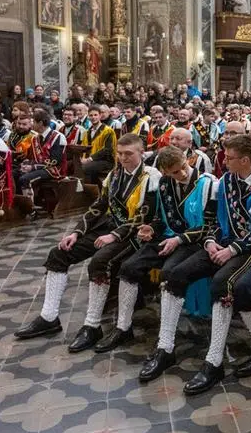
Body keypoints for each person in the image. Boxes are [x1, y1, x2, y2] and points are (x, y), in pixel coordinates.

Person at [14, 134, 161, 345]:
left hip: (134, 234)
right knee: (59, 254)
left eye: (128, 154)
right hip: (110, 226)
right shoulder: (114, 175)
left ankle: (92, 325)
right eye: (119, 154)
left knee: (99, 263)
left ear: (141, 152)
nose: (123, 158)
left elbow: (144, 216)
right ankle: (49, 317)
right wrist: (76, 233)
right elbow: (98, 207)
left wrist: (114, 235)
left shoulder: (151, 177)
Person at [178, 134, 251, 395]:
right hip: (222, 244)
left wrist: (232, 249)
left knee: (221, 285)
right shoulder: (224, 181)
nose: (224, 161)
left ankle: (214, 361)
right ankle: (164, 346)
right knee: (176, 274)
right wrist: (211, 242)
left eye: (230, 158)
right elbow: (211, 218)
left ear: (246, 160)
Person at [95, 146, 217, 357]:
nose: (181, 174)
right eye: (174, 173)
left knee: (169, 273)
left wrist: (178, 239)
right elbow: (162, 219)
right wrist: (151, 228)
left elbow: (210, 226)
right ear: (165, 172)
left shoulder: (208, 184)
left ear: (187, 160)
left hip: (192, 241)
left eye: (183, 168)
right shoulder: (164, 183)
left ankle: (165, 342)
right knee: (128, 267)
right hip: (168, 236)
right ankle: (123, 327)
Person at [17, 109, 67, 209]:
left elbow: (55, 161)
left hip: (54, 170)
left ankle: (30, 207)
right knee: (16, 173)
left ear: (40, 123)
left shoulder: (58, 137)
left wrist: (33, 167)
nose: (32, 125)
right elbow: (32, 157)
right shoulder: (35, 138)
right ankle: (21, 204)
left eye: (33, 122)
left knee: (25, 178)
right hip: (41, 168)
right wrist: (26, 163)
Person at [80, 105, 118, 185]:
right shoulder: (88, 132)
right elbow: (84, 147)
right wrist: (82, 158)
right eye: (91, 115)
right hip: (93, 159)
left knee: (85, 168)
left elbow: (108, 150)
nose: (93, 117)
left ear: (100, 116)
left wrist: (89, 159)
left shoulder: (108, 131)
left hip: (106, 160)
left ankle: (91, 191)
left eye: (95, 115)